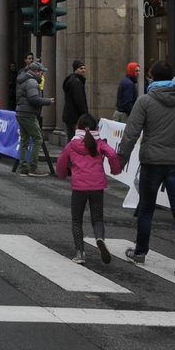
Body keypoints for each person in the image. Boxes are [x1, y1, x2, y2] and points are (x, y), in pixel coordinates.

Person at [117, 60, 175, 275]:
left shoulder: (145, 101)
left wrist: (120, 160)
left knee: (146, 208)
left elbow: (131, 133)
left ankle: (140, 251)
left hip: (152, 161)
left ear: (153, 78)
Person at [55, 112, 121, 264]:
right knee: (97, 218)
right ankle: (99, 238)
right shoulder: (99, 143)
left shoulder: (72, 144)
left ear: (78, 127)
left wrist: (62, 174)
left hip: (79, 187)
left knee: (76, 220)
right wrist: (115, 170)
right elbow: (112, 154)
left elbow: (61, 161)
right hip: (97, 186)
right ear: (96, 127)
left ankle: (80, 253)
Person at [15, 57, 52, 176]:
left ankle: (23, 167)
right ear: (36, 72)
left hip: (21, 112)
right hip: (28, 113)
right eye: (42, 72)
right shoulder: (32, 82)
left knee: (24, 140)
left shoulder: (24, 80)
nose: (42, 75)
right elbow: (33, 99)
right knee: (38, 138)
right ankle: (33, 168)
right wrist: (47, 101)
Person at [61, 59, 90, 136]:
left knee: (71, 138)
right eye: (81, 68)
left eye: (84, 68)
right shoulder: (76, 82)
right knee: (75, 139)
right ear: (75, 69)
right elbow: (79, 100)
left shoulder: (72, 80)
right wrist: (85, 114)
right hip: (75, 117)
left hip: (70, 116)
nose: (83, 70)